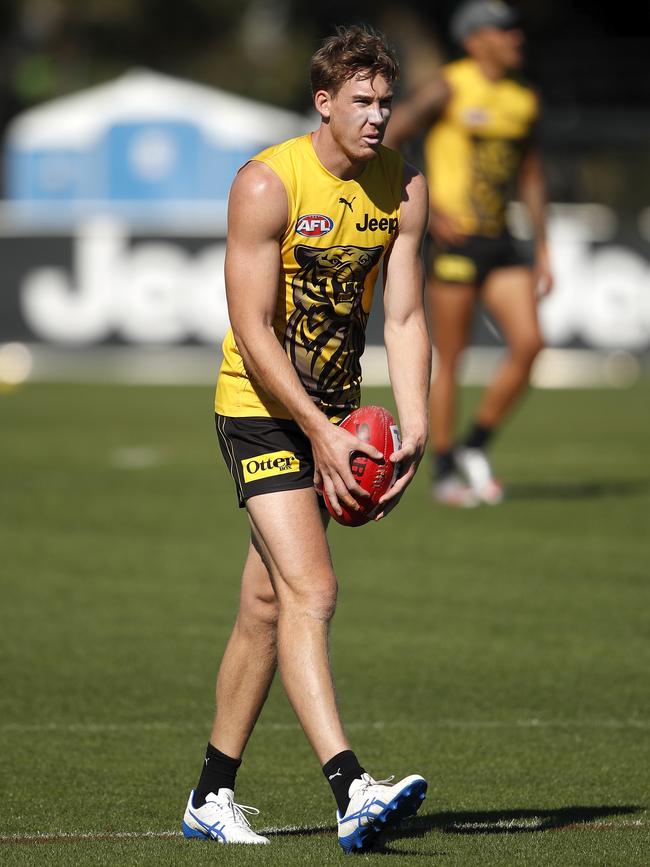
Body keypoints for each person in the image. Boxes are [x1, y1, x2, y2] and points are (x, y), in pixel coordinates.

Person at [180, 25, 431, 853]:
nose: (377, 117)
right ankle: (352, 787)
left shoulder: (403, 184)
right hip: (259, 406)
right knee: (312, 591)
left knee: (265, 604)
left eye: (385, 102)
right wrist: (319, 431)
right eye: (361, 102)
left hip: (334, 414)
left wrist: (418, 422)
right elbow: (250, 329)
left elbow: (401, 313)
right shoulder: (266, 182)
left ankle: (210, 796)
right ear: (323, 102)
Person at [384, 0, 553, 507]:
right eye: (505, 32)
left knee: (530, 345)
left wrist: (543, 245)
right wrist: (426, 210)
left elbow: (530, 173)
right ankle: (441, 469)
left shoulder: (523, 98)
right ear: (476, 39)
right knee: (451, 358)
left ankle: (474, 446)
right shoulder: (448, 85)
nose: (515, 40)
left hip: (501, 239)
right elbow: (391, 134)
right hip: (455, 242)